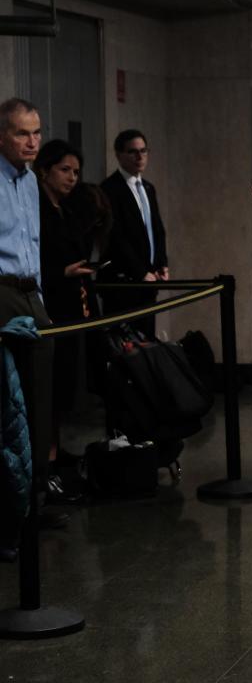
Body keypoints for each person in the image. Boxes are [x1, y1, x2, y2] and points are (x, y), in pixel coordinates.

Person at [0, 98, 62, 560]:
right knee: (8, 406)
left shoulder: (31, 184)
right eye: (22, 132)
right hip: (1, 293)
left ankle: (35, 502)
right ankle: (7, 517)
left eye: (36, 132)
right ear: (2, 135)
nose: (32, 141)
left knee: (41, 400)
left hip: (31, 293)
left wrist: (40, 298)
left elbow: (34, 244)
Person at [35, 139, 92, 505]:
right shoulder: (36, 209)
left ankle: (56, 451)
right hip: (49, 303)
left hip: (72, 306)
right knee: (48, 388)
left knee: (65, 384)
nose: (71, 178)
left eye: (75, 172)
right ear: (46, 170)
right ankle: (46, 460)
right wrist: (62, 271)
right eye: (64, 170)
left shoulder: (66, 209)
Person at [99, 129, 168, 337]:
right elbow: (116, 237)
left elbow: (156, 229)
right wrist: (140, 272)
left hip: (148, 279)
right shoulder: (109, 189)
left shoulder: (147, 187)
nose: (140, 157)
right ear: (119, 155)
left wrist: (161, 263)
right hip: (124, 280)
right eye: (133, 152)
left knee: (147, 336)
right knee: (125, 340)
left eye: (143, 151)